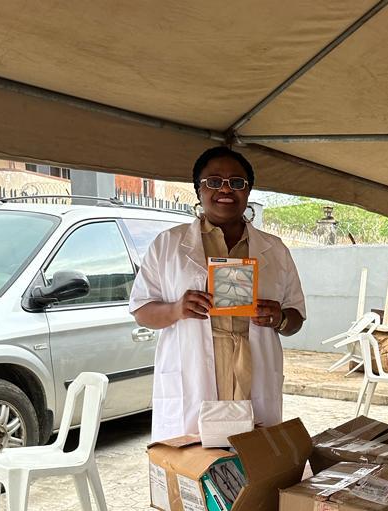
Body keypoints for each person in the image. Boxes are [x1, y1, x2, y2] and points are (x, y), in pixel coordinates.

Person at [129, 146, 306, 441]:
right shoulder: (168, 245)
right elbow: (141, 311)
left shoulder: (274, 250)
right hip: (193, 376)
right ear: (198, 190)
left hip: (253, 373)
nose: (225, 189)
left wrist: (279, 318)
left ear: (248, 191)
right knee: (194, 461)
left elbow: (296, 318)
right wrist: (176, 309)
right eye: (213, 181)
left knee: (253, 457)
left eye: (237, 182)